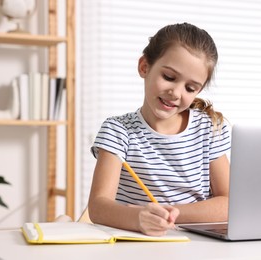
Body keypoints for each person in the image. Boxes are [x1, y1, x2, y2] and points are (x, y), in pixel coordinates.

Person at [88, 22, 231, 236]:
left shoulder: (207, 129)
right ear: (144, 67)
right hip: (138, 242)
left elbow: (229, 204)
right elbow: (98, 208)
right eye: (169, 77)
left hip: (196, 245)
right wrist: (138, 219)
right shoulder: (118, 131)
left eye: (190, 88)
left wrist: (172, 215)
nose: (175, 92)